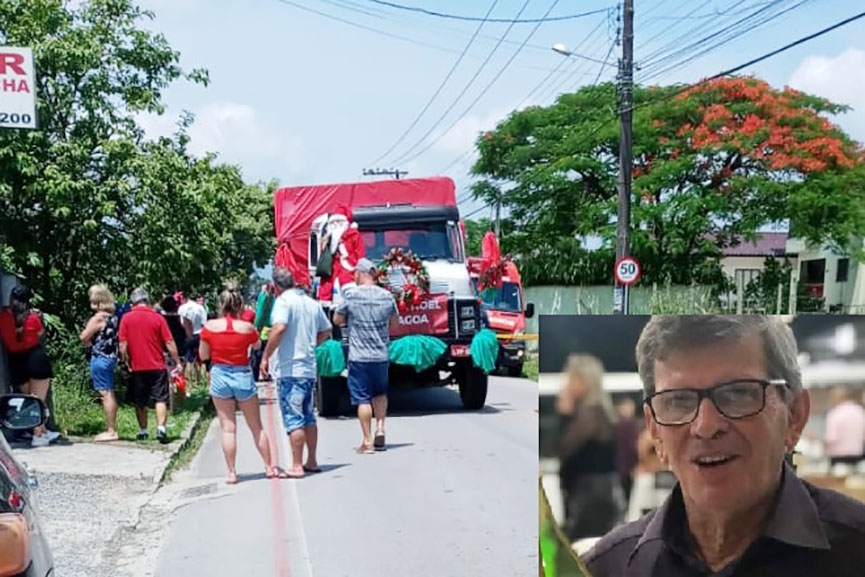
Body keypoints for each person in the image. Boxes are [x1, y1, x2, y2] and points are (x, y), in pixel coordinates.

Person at [583, 315, 865, 577]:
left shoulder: (854, 551)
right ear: (655, 429)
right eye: (678, 401)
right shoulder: (607, 568)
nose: (706, 426)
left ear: (794, 415)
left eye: (738, 393)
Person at [199, 286, 286, 484]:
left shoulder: (209, 327)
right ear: (239, 305)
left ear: (221, 304)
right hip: (242, 374)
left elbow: (204, 355)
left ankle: (232, 472)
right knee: (256, 426)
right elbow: (256, 345)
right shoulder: (247, 328)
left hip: (220, 374)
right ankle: (269, 466)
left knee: (228, 428)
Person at [260, 267, 332, 478]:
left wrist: (266, 355)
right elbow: (326, 330)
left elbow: (280, 328)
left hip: (290, 368)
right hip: (308, 368)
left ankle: (297, 464)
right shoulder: (311, 303)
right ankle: (311, 459)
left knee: (294, 418)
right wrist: (310, 345)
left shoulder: (283, 302)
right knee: (308, 416)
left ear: (275, 286)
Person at [332, 257, 399, 454]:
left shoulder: (351, 295)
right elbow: (395, 324)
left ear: (361, 274)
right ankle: (380, 428)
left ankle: (367, 441)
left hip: (359, 356)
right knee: (380, 393)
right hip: (380, 355)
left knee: (363, 398)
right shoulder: (387, 297)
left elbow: (337, 319)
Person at [555, 353, 624, 542]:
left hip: (593, 499)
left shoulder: (592, 413)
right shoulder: (596, 412)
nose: (566, 384)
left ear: (583, 381)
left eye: (570, 378)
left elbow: (565, 447)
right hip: (592, 495)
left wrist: (564, 415)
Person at [0, 285, 61, 447]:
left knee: (28, 400)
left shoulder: (4, 317)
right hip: (35, 358)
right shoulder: (33, 318)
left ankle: (40, 431)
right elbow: (40, 335)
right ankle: (38, 435)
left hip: (16, 361)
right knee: (38, 400)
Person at [118, 288, 181, 444]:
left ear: (133, 302)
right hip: (157, 365)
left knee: (140, 400)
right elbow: (169, 342)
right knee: (160, 398)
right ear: (147, 300)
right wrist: (177, 360)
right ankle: (161, 429)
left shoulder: (126, 318)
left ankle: (143, 430)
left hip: (137, 366)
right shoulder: (158, 318)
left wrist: (124, 361)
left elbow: (123, 344)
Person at [79, 284, 120, 442]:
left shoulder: (98, 318)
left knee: (105, 394)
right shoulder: (113, 316)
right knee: (109, 391)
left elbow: (84, 337)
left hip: (100, 357)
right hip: (110, 357)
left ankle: (111, 430)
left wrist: (87, 343)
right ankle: (112, 428)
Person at [317, 205, 365, 303]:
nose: (336, 224)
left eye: (339, 222)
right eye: (334, 222)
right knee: (326, 294)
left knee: (350, 295)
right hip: (331, 272)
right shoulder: (328, 237)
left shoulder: (353, 235)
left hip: (350, 272)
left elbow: (360, 255)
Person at [823, 385, 865, 469]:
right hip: (859, 456)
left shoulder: (835, 414)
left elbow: (831, 438)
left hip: (838, 458)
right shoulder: (861, 412)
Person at [615, 397, 639, 504]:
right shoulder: (629, 424)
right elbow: (632, 447)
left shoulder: (615, 424)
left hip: (618, 467)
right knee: (629, 496)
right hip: (628, 466)